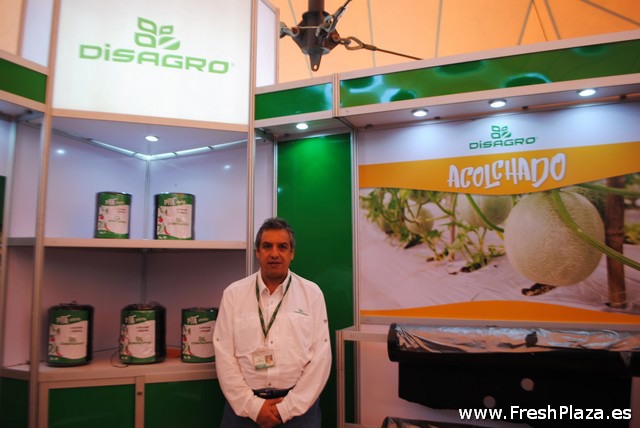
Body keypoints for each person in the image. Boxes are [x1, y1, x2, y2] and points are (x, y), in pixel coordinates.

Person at [214, 217, 332, 427]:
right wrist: (253, 407)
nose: (275, 254)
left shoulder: (312, 294)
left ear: (292, 253)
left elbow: (321, 359)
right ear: (257, 252)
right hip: (243, 412)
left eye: (282, 247)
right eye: (267, 246)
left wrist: (287, 408)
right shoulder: (234, 295)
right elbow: (224, 356)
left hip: (300, 414)